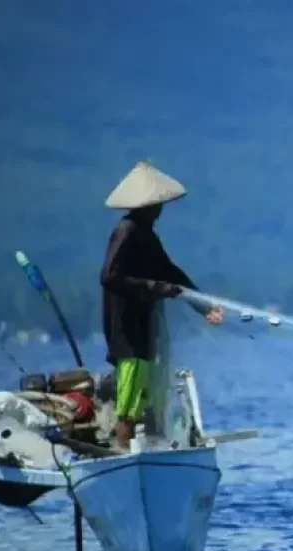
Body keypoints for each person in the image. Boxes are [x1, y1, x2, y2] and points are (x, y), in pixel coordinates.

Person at [99, 161, 224, 449]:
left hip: (143, 328)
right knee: (129, 404)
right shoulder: (126, 231)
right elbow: (109, 277)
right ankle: (123, 452)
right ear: (145, 206)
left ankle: (148, 448)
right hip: (126, 330)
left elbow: (169, 272)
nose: (160, 209)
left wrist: (204, 306)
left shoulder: (147, 235)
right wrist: (157, 288)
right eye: (157, 204)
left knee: (144, 395)